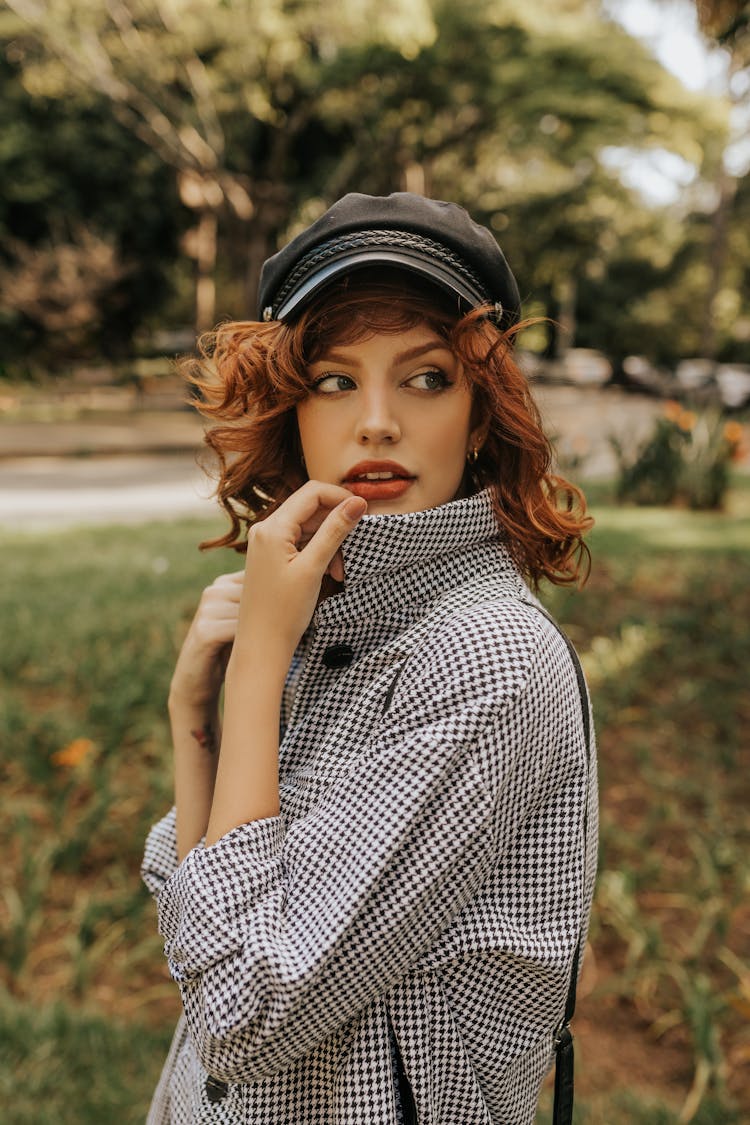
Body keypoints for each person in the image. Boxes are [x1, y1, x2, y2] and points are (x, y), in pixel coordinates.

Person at [141, 192, 598, 1125]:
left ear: (480, 415)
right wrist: (197, 725)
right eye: (335, 380)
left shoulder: (489, 659)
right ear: (291, 411)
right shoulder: (337, 608)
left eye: (426, 378)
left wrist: (261, 659)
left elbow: (241, 1013)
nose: (377, 422)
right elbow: (206, 939)